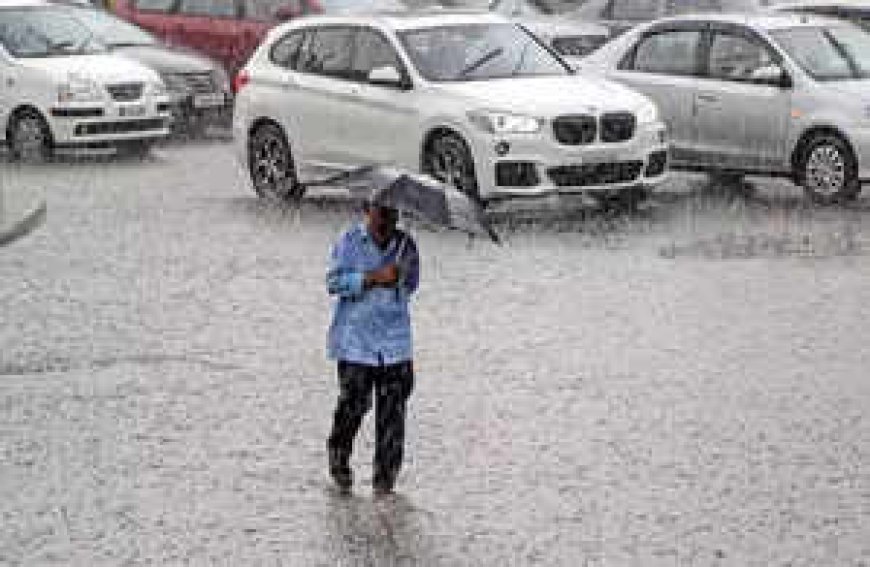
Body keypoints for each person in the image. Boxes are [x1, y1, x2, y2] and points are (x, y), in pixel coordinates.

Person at [325, 201, 420, 496]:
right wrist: (371, 278)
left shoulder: (407, 246)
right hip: (356, 344)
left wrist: (399, 275)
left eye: (393, 214)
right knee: (353, 404)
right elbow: (333, 282)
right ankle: (339, 454)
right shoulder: (349, 241)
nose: (386, 221)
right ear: (368, 210)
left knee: (392, 415)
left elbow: (412, 285)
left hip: (395, 345)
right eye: (381, 213)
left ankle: (385, 480)